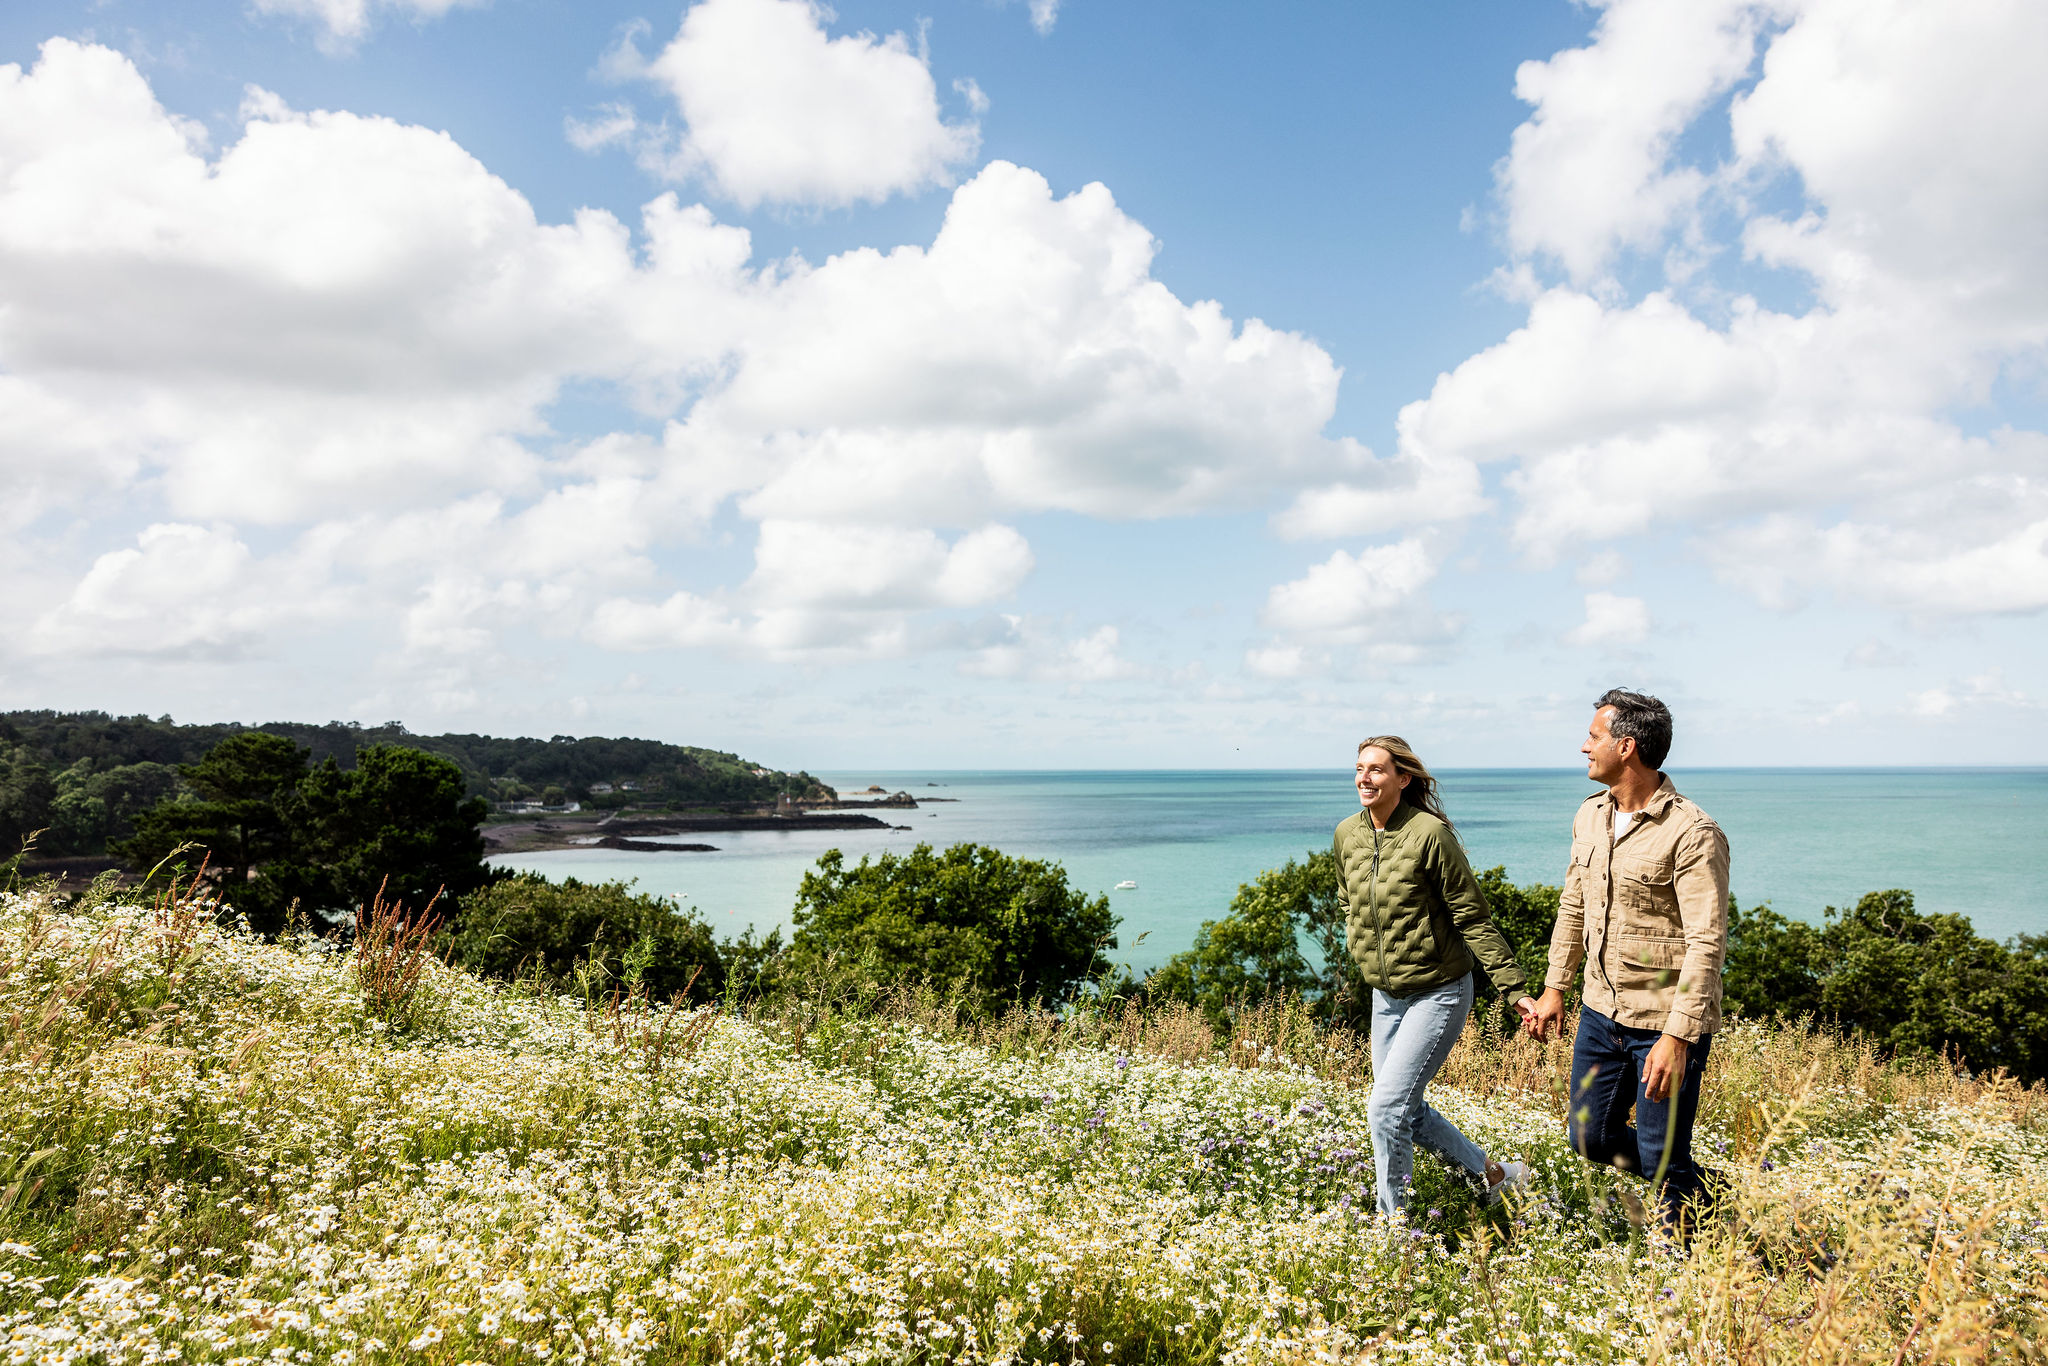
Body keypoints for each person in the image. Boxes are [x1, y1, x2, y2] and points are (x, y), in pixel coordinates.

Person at [1523, 690, 1730, 1234]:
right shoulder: (1589, 816)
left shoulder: (1692, 832)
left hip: (1663, 1021)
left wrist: (1678, 1037)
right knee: (1588, 1139)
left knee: (1663, 1155)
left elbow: (1705, 942)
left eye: (1593, 736)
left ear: (1627, 746)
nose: (1583, 746)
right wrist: (1555, 989)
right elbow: (1573, 904)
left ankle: (1681, 1267)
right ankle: (1708, 1189)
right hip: (1598, 1010)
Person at [1338, 735, 1537, 1221]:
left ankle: (1395, 1233)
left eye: (1377, 770)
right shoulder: (1347, 833)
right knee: (1402, 1108)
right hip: (1386, 994)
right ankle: (1496, 1175)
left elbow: (1472, 917)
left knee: (1386, 1110)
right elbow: (1348, 899)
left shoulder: (1430, 833)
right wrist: (1359, 947)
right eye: (1360, 768)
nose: (1365, 777)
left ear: (1403, 779)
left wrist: (1513, 988)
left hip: (1440, 991)